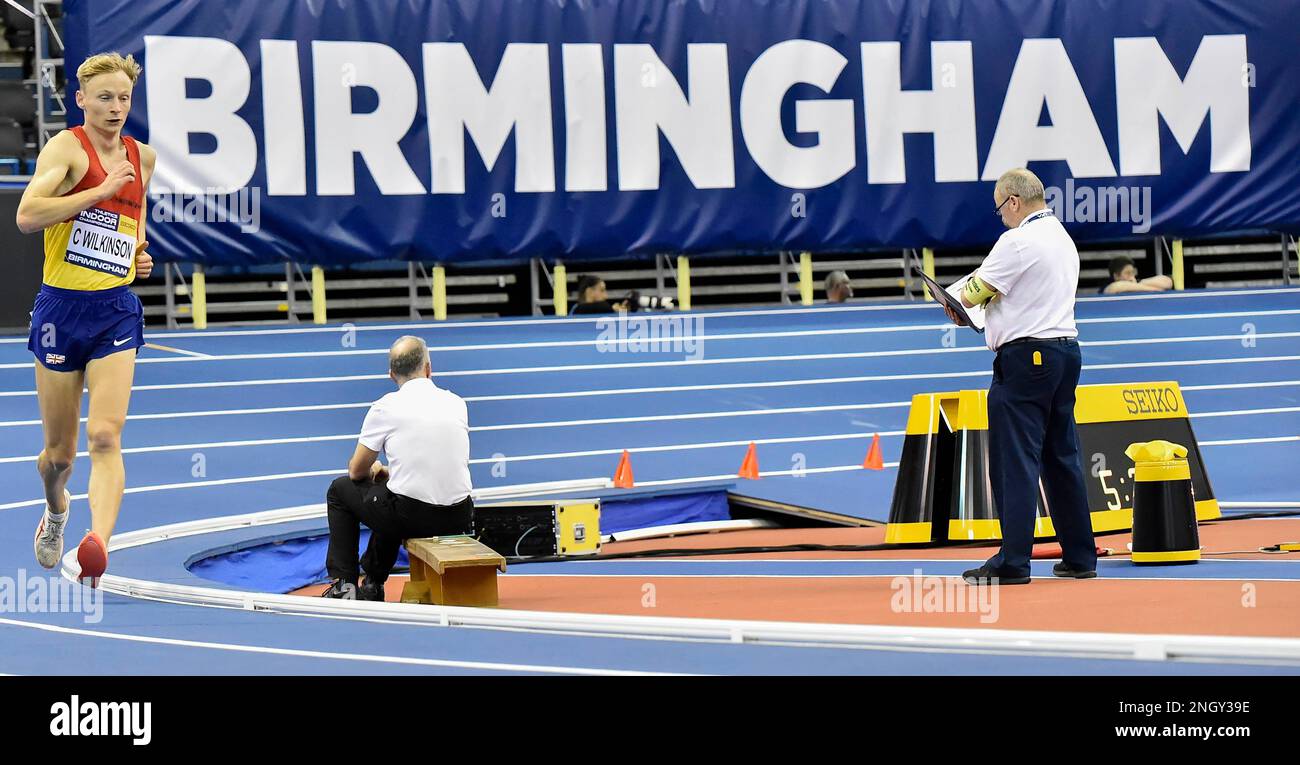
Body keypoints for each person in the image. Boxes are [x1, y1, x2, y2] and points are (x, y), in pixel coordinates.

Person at [18, 52, 156, 586]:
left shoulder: (142, 157)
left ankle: (95, 545)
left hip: (114, 312)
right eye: (105, 97)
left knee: (104, 435)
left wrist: (139, 255)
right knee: (60, 456)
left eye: (124, 97)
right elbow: (28, 216)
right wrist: (97, 191)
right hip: (59, 312)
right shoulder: (66, 149)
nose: (116, 107)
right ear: (81, 100)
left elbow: (133, 225)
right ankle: (56, 512)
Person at [945, 168, 1097, 585]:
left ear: (1013, 201)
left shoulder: (1017, 241)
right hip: (1065, 352)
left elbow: (973, 295)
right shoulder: (1061, 237)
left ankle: (1013, 561)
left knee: (1016, 461)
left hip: (1026, 359)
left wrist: (953, 306)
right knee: (1061, 457)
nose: (1001, 217)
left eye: (1000, 209)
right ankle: (1081, 555)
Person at [322, 336, 475, 601]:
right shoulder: (457, 403)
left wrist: (376, 469)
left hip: (412, 516)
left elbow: (356, 472)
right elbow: (433, 462)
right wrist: (390, 474)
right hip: (460, 515)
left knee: (340, 491)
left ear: (391, 375)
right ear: (429, 368)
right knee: (388, 493)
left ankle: (345, 585)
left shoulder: (385, 407)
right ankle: (372, 582)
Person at [1100, 255, 1173, 294]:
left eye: (1132, 272)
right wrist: (1155, 289)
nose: (1131, 276)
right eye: (1127, 273)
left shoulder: (1136, 282)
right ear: (1116, 276)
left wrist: (1141, 282)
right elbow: (1117, 287)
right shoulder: (1107, 286)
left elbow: (1167, 282)